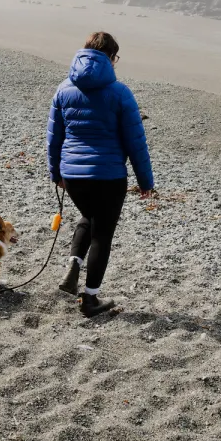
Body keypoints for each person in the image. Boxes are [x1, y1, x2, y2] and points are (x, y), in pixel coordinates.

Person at [47, 31, 154, 316]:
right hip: (108, 177)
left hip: (73, 176)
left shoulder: (63, 89)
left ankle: (73, 265)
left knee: (88, 218)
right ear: (110, 58)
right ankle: (90, 299)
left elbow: (54, 137)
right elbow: (136, 141)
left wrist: (55, 172)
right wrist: (146, 182)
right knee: (102, 234)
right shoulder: (120, 92)